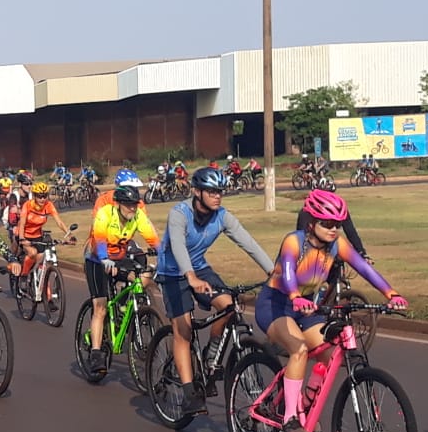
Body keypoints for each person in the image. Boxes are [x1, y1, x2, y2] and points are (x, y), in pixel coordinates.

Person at [256, 190, 406, 432]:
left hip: (308, 308)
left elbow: (364, 269)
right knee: (299, 349)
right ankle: (290, 417)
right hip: (277, 304)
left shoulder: (338, 245)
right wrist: (295, 296)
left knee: (329, 354)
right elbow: (289, 272)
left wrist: (391, 293)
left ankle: (303, 403)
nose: (333, 229)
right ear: (312, 222)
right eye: (327, 224)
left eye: (337, 224)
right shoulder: (294, 241)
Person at [155, 167, 274, 416]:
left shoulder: (222, 216)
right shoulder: (179, 214)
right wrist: (190, 277)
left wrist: (274, 272)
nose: (217, 196)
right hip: (173, 273)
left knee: (229, 305)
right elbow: (177, 245)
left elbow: (248, 243)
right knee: (184, 330)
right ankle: (189, 393)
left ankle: (212, 354)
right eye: (211, 191)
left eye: (220, 191)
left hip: (199, 268)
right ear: (196, 192)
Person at [83, 186, 160, 373]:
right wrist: (104, 258)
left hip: (119, 257)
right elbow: (99, 239)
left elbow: (153, 239)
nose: (132, 209)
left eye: (134, 205)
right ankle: (95, 352)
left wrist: (166, 259)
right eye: (128, 205)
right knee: (100, 307)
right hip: (96, 259)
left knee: (143, 276)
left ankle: (125, 307)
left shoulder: (138, 215)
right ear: (118, 204)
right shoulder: (105, 214)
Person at [15, 181, 74, 287]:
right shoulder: (28, 205)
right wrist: (22, 238)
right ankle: (23, 276)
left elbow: (59, 222)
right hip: (25, 235)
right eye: (39, 196)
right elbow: (22, 223)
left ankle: (36, 278)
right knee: (32, 253)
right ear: (34, 196)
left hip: (38, 236)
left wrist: (69, 234)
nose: (42, 199)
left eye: (44, 196)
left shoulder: (48, 205)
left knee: (41, 258)